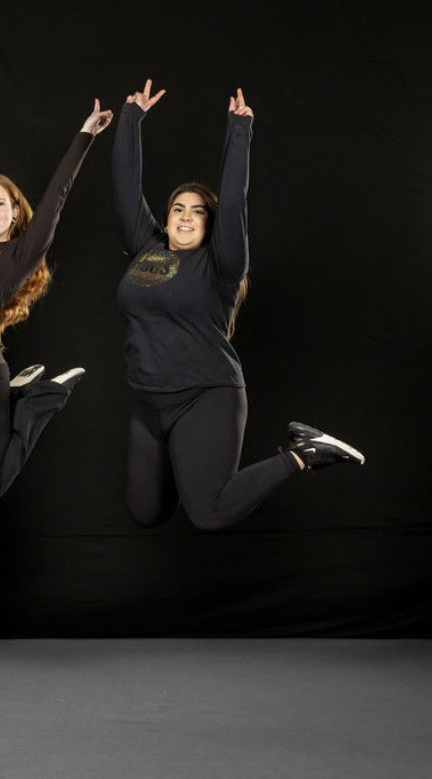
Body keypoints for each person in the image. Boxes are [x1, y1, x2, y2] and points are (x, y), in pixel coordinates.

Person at [112, 79, 363, 530]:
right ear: (165, 219)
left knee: (207, 514)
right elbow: (126, 189)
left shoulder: (221, 265)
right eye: (177, 209)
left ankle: (302, 455)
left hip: (205, 395)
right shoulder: (147, 249)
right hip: (148, 402)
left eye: (197, 211)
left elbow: (232, 206)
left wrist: (239, 130)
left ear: (208, 226)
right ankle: (194, 475)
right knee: (146, 512)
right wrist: (131, 119)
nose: (186, 216)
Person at [0, 75, 111, 500]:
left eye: (1, 204)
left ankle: (38, 400)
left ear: (14, 215)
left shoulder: (17, 255)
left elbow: (56, 198)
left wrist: (84, 136)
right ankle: (14, 397)